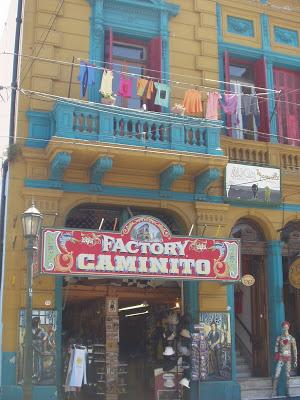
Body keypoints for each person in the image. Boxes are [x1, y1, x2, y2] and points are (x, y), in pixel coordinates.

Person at [272, 321, 297, 397]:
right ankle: (273, 391)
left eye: (286, 327)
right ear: (282, 328)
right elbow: (276, 347)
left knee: (287, 375)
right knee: (276, 374)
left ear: (288, 327)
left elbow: (294, 349)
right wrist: (276, 355)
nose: (285, 329)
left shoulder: (291, 338)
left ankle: (288, 391)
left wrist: (295, 360)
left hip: (288, 358)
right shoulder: (279, 338)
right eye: (284, 327)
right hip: (281, 358)